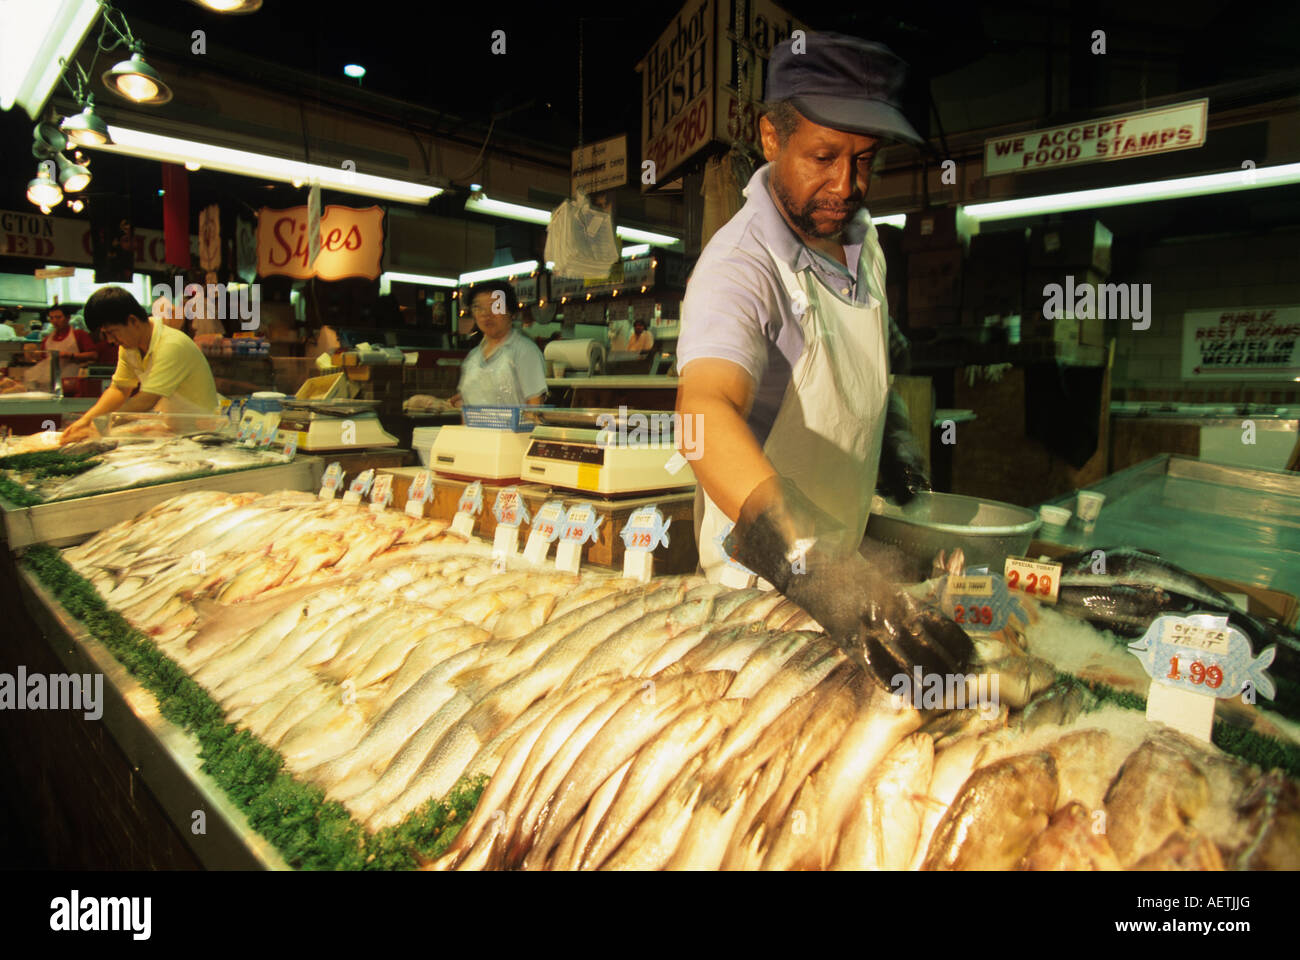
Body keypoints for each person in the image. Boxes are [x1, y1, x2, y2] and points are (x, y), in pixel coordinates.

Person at [675, 33, 969, 684]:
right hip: (758, 601)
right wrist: (813, 564)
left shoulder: (865, 243)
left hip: (849, 576)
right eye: (824, 156)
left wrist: (888, 432)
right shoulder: (742, 263)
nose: (846, 184)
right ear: (771, 139)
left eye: (865, 161)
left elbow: (861, 365)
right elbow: (702, 414)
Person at [61, 286, 220, 443]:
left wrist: (101, 426)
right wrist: (86, 420)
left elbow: (147, 399)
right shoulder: (129, 348)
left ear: (132, 321)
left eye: (112, 332)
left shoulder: (172, 345)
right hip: (173, 431)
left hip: (203, 434)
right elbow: (119, 389)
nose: (110, 340)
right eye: (105, 335)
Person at [450, 280, 547, 408]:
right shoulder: (472, 358)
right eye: (478, 307)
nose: (486, 314)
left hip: (516, 428)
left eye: (495, 306)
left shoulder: (525, 351)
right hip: (473, 429)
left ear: (511, 312)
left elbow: (535, 408)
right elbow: (467, 407)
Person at [39, 305, 97, 376]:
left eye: (58, 317)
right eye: (51, 318)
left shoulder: (79, 335)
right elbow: (42, 361)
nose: (55, 321)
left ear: (68, 318)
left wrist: (70, 355)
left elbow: (93, 355)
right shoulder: (46, 340)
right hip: (51, 379)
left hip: (75, 378)